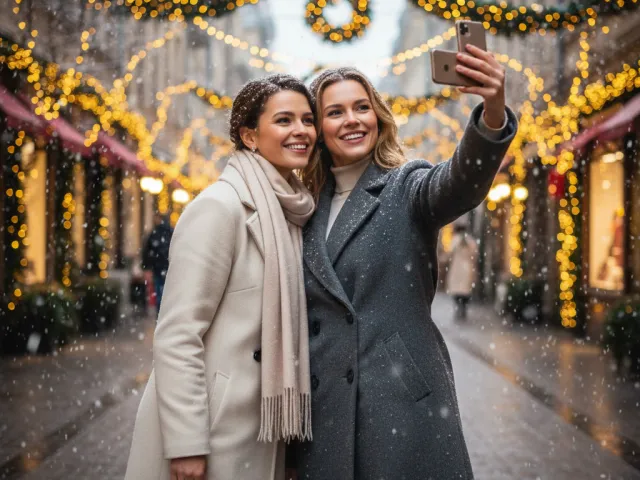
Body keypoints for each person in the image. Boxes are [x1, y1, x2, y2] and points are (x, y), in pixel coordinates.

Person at [292, 44, 517, 480]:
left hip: (399, 403)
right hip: (325, 414)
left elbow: (460, 184)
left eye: (362, 107)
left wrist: (492, 111)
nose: (352, 119)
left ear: (378, 116)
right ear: (318, 129)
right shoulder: (303, 209)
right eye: (335, 112)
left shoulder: (406, 187)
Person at [125, 74, 317, 480]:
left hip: (264, 426)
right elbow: (178, 334)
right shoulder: (220, 207)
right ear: (250, 136)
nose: (301, 130)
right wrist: (187, 444)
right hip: (214, 427)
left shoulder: (293, 212)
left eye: (307, 119)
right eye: (284, 120)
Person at [446, 223, 479, 320]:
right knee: (465, 289)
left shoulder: (455, 240)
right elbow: (475, 255)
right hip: (467, 268)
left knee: (457, 289)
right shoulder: (471, 241)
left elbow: (450, 252)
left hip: (457, 267)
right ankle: (463, 308)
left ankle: (458, 307)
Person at [142, 213, 173, 312]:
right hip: (167, 269)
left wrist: (147, 267)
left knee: (160, 293)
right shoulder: (170, 232)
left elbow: (147, 252)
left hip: (159, 269)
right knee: (166, 293)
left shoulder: (155, 233)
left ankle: (160, 314)